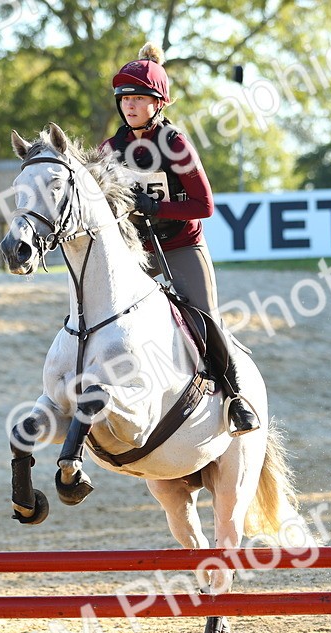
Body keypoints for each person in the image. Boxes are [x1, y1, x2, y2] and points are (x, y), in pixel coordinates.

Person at [101, 42, 259, 437]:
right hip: (135, 250)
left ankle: (235, 398)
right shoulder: (110, 149)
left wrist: (157, 208)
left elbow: (204, 204)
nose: (130, 106)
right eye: (125, 99)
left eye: (139, 99)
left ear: (158, 103)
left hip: (180, 245)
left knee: (205, 317)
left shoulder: (175, 144)